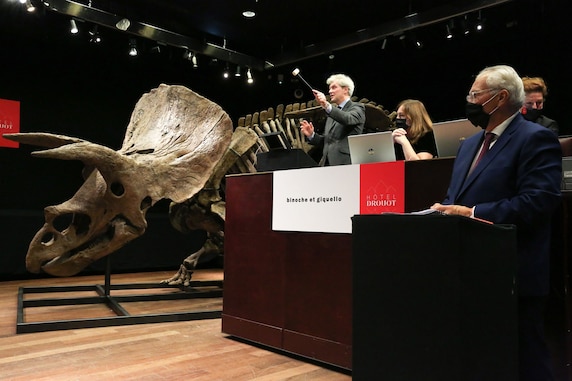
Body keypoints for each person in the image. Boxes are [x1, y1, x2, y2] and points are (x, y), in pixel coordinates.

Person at [431, 65, 562, 381]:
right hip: (468, 274)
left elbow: (537, 204)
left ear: (500, 97)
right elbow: (455, 199)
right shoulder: (468, 145)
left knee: (525, 360)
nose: (470, 100)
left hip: (513, 274)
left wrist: (473, 213)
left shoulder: (537, 138)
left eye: (475, 95)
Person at [299, 73, 365, 166]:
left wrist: (326, 105)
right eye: (329, 88)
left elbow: (347, 119)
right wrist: (312, 135)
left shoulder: (357, 107)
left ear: (345, 89)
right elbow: (327, 142)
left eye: (334, 87)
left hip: (346, 164)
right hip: (327, 165)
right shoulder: (331, 113)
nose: (330, 91)